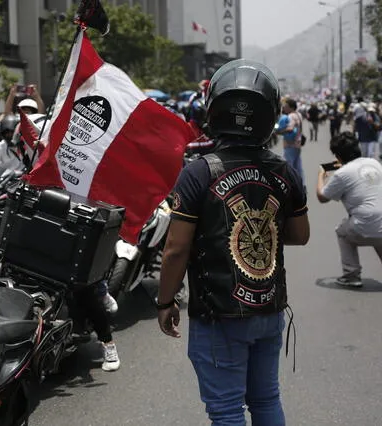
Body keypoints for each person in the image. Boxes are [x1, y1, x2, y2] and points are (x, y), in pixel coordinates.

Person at [157, 59, 310, 425]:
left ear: (214, 110)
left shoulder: (198, 172)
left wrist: (164, 301)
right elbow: (300, 235)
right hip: (269, 309)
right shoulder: (284, 172)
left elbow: (176, 249)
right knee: (266, 399)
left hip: (218, 313)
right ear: (269, 115)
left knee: (226, 411)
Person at [316, 132, 382, 287]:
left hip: (365, 225)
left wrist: (321, 175)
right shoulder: (374, 163)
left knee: (342, 231)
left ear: (338, 156)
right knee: (377, 230)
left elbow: (322, 197)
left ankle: (351, 274)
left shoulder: (342, 174)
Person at [278, 98, 305, 186]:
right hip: (298, 144)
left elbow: (290, 128)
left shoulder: (291, 116)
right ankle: (301, 185)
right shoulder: (299, 115)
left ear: (291, 107)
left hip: (290, 144)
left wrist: (278, 132)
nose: (284, 108)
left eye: (286, 106)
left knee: (288, 167)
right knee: (298, 167)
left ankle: (290, 186)